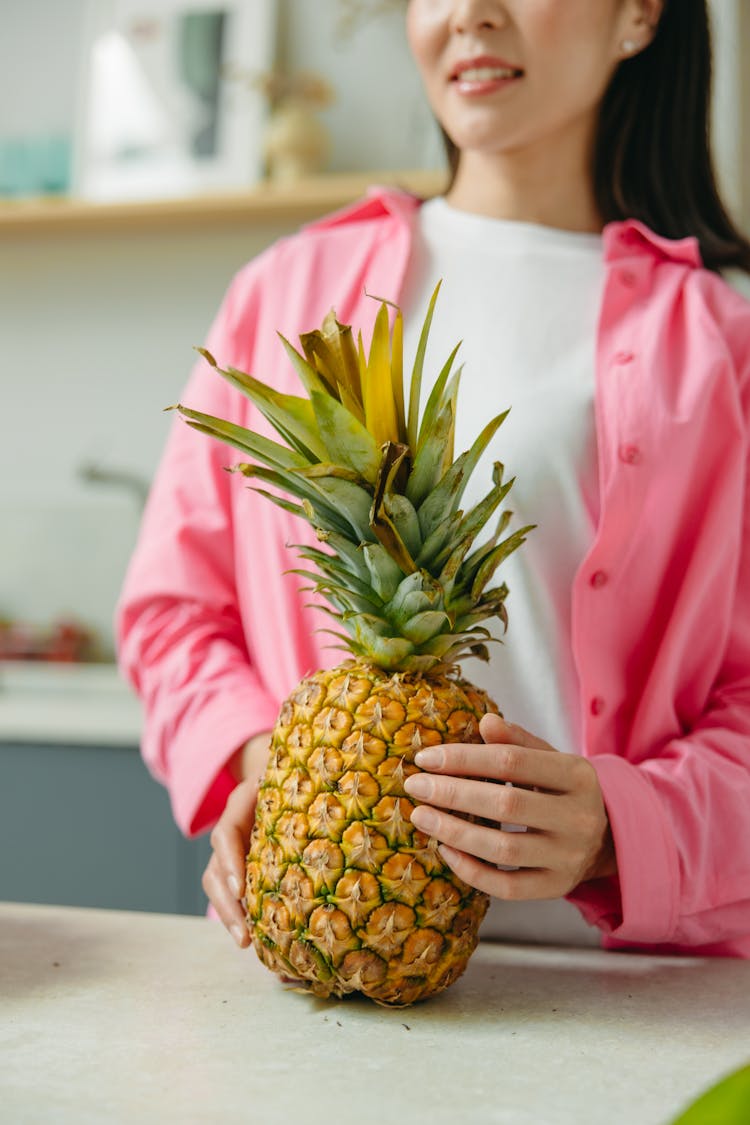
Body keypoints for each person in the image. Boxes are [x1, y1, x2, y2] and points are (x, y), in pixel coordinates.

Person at [117, 0, 750, 958]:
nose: (468, 15)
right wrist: (289, 777)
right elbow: (173, 616)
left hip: (624, 1003)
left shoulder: (720, 347)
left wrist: (620, 828)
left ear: (638, 15)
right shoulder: (285, 292)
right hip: (321, 964)